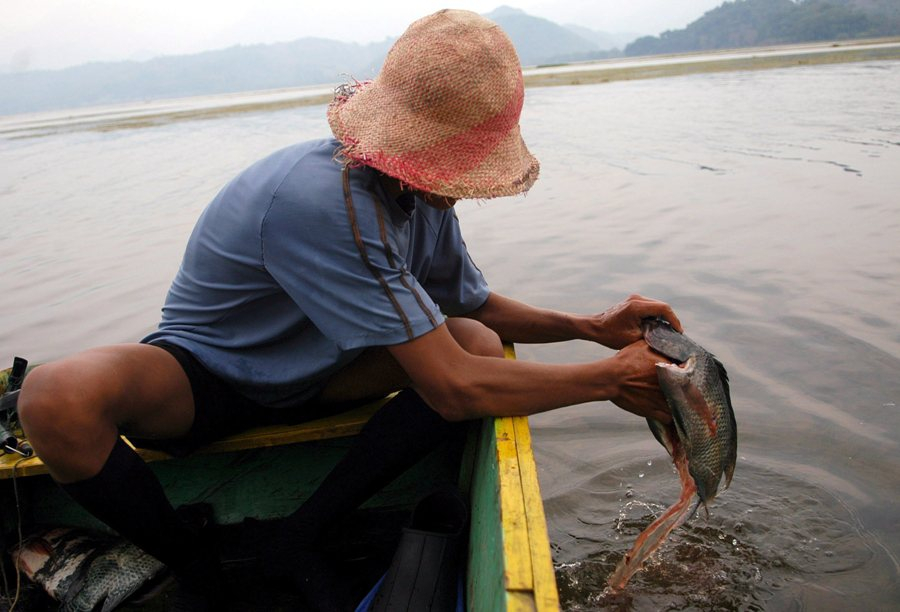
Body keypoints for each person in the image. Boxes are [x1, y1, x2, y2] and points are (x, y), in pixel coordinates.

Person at [17, 9, 680, 611]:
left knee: (474, 340)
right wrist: (608, 379)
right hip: (206, 378)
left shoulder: (420, 198)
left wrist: (591, 328)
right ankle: (200, 568)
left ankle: (300, 535)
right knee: (55, 397)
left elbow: (471, 304)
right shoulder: (322, 199)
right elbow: (450, 388)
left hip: (322, 374)